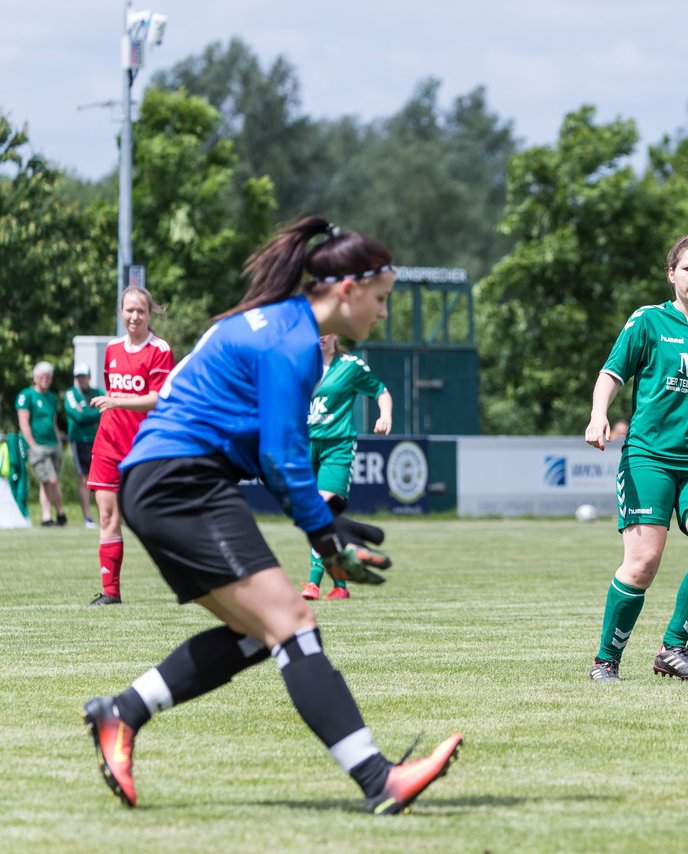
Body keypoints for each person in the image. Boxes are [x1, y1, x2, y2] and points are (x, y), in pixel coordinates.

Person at [81, 217, 462, 815]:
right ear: (346, 290)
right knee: (292, 622)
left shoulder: (282, 325)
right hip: (179, 482)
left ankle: (120, 713)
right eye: (381, 298)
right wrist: (325, 535)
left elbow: (272, 453)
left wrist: (325, 527)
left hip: (171, 480)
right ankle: (377, 778)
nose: (383, 313)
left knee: (257, 635)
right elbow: (282, 459)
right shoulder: (293, 343)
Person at [583, 233, 688, 682]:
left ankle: (673, 649)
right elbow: (610, 374)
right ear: (671, 273)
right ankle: (605, 660)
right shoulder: (648, 321)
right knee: (643, 563)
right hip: (649, 457)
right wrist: (599, 414)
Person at [86, 288, 174, 606]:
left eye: (140, 310)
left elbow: (157, 398)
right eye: (129, 310)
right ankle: (111, 592)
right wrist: (115, 403)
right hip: (108, 444)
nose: (134, 316)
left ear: (149, 313)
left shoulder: (160, 350)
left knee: (150, 516)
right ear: (120, 312)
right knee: (108, 515)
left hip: (143, 447)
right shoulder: (111, 350)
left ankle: (190, 577)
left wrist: (117, 400)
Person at [301, 333, 393, 601]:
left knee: (321, 508)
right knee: (313, 516)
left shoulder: (350, 366)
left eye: (327, 330)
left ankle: (313, 582)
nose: (320, 335)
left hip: (336, 448)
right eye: (315, 329)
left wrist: (384, 415)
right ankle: (340, 583)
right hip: (305, 446)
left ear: (336, 334)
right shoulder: (299, 365)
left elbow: (381, 391)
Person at [15, 361, 66, 527]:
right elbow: (24, 423)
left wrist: (59, 441)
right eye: (42, 376)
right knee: (48, 481)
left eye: (48, 376)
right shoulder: (26, 395)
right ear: (35, 378)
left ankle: (59, 513)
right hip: (38, 446)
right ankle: (46, 516)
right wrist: (33, 445)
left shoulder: (51, 397)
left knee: (54, 481)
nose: (45, 379)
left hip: (53, 444)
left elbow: (53, 422)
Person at [65, 364, 105, 529]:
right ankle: (88, 517)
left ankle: (104, 514)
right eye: (78, 377)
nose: (81, 380)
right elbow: (78, 417)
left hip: (97, 439)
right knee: (84, 479)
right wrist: (95, 413)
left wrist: (88, 413)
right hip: (79, 439)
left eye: (84, 376)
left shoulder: (98, 393)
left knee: (102, 479)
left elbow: (106, 411)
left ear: (89, 377)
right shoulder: (71, 393)